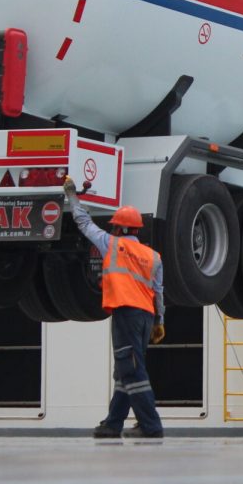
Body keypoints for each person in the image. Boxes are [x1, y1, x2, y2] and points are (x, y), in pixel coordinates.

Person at [63, 179, 166, 439]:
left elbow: (84, 223)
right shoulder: (153, 256)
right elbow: (158, 291)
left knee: (131, 370)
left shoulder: (111, 244)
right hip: (146, 317)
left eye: (114, 226)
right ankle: (112, 424)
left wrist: (72, 195)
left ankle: (151, 425)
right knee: (124, 371)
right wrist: (159, 322)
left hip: (126, 314)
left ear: (120, 228)